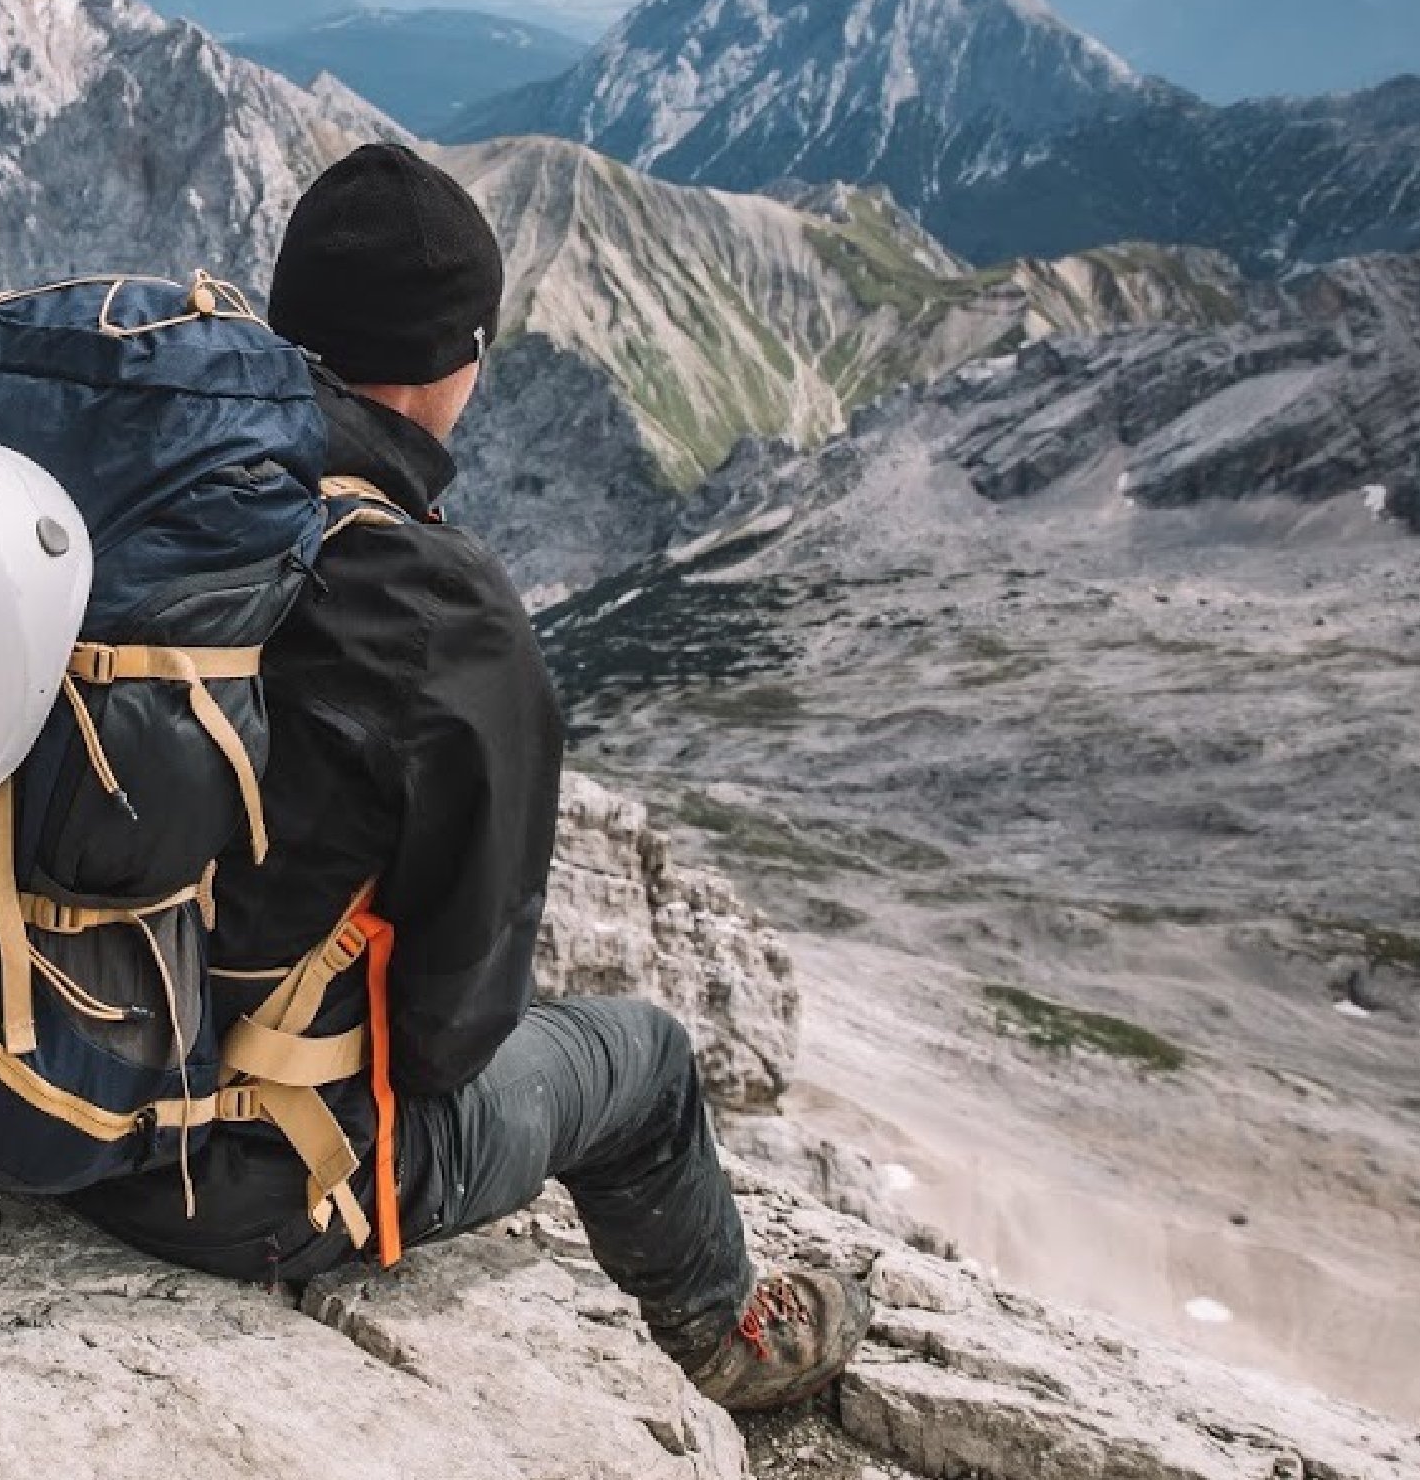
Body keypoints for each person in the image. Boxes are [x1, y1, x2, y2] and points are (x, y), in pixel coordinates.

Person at [61, 143, 874, 1413]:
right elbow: (452, 1035)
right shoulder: (441, 610)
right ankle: (732, 1345)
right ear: (466, 362)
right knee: (646, 1059)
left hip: (26, 1071)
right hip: (237, 1182)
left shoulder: (142, 479)